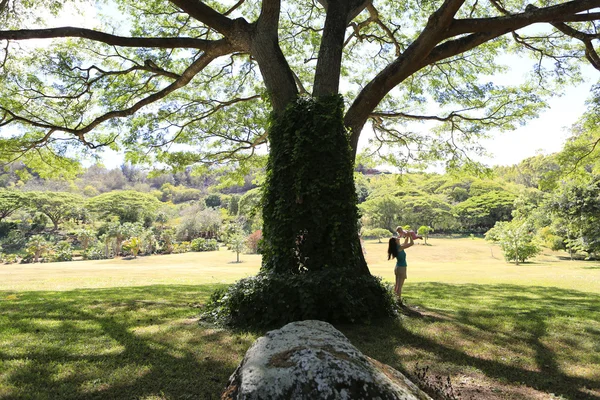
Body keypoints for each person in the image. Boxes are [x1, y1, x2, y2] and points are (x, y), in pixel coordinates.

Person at [387, 233, 414, 306]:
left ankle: (394, 300)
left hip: (397, 268)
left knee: (396, 285)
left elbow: (405, 243)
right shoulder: (399, 247)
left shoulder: (398, 247)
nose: (397, 237)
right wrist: (411, 235)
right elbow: (411, 243)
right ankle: (398, 302)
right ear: (396, 241)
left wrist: (407, 236)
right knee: (399, 286)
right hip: (402, 268)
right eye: (396, 238)